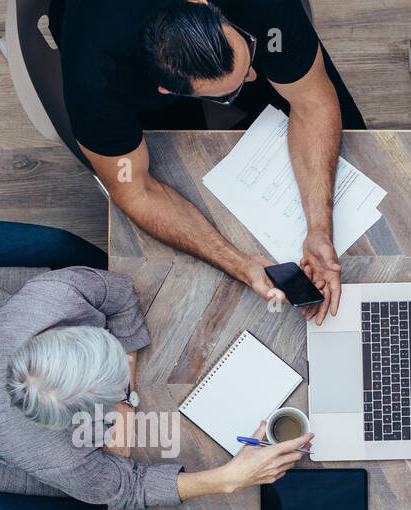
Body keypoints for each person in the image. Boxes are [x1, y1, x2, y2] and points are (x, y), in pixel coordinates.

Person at [52, 0, 367, 321]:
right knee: (177, 161)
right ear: (165, 89)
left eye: (248, 51)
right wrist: (240, 265)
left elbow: (313, 102)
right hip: (102, 39)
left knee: (353, 140)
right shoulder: (95, 78)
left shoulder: (263, 10)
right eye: (231, 89)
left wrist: (319, 229)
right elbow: (136, 190)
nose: (256, 76)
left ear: (203, 4)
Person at [0, 265, 312, 510]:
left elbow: (117, 295)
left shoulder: (53, 297)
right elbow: (127, 488)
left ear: (68, 331)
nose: (124, 364)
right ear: (76, 423)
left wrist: (123, 399)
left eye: (111, 352)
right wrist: (228, 478)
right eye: (113, 388)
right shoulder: (60, 457)